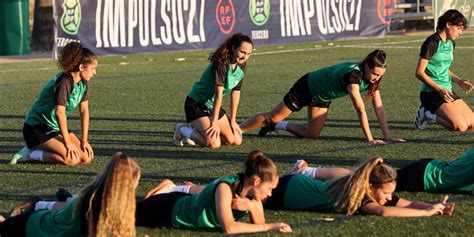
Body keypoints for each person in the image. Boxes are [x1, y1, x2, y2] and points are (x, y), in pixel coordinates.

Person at [239, 50, 405, 144]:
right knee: (272, 116)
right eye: (375, 74)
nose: (377, 78)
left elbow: (379, 109)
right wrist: (370, 139)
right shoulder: (353, 75)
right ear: (366, 66)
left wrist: (387, 137)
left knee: (312, 134)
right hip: (307, 87)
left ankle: (276, 126)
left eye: (380, 75)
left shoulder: (372, 80)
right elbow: (360, 110)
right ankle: (237, 130)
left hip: (322, 97)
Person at [135, 150, 292, 234]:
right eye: (270, 188)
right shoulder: (225, 188)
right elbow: (229, 228)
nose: (270, 194)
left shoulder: (254, 195)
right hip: (168, 210)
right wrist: (270, 226)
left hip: (179, 204)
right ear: (256, 181)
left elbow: (259, 224)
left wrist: (251, 207)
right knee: (119, 214)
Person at [0, 152, 141, 237]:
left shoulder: (98, 197)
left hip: (39, 221)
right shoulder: (93, 203)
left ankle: (35, 204)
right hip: (30, 228)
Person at [265, 157, 454, 217]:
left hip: (297, 185)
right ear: (371, 186)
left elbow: (404, 203)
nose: (389, 197)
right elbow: (382, 212)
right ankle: (305, 170)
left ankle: (305, 170)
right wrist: (425, 213)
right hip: (288, 192)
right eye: (386, 192)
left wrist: (433, 207)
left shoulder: (372, 191)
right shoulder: (362, 196)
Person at [11, 42, 97, 165]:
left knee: (86, 158)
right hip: (36, 127)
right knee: (71, 159)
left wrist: (84, 140)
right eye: (93, 69)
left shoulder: (83, 83)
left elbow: (84, 111)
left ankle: (43, 148)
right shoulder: (65, 81)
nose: (94, 73)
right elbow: (59, 113)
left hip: (54, 127)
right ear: (82, 67)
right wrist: (67, 143)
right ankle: (31, 154)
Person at [173, 33, 253, 148]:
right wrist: (215, 122)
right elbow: (218, 95)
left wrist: (233, 120)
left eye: (248, 54)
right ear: (234, 48)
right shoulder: (222, 64)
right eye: (242, 52)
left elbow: (236, 93)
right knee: (213, 143)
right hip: (196, 103)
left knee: (235, 140)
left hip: (212, 105)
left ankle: (201, 129)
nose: (244, 57)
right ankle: (182, 130)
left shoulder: (242, 66)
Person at [292, 145, 474, 195]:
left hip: (429, 170)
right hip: (425, 176)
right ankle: (306, 171)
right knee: (363, 179)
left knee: (365, 177)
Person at [413, 9, 473, 131]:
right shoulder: (431, 42)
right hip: (431, 93)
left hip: (447, 91)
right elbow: (419, 73)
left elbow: (443, 68)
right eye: (459, 28)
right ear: (448, 24)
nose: (460, 32)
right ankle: (427, 114)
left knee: (471, 124)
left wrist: (459, 81)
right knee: (460, 126)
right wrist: (439, 89)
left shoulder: (451, 43)